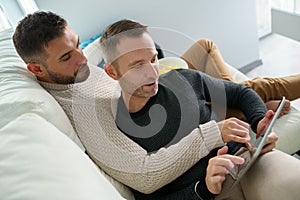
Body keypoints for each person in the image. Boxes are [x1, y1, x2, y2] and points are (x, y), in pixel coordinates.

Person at [12, 11, 300, 199]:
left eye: (76, 44)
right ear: (37, 70)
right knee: (244, 86)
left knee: (205, 56)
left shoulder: (79, 67)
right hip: (145, 100)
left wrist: (123, 49)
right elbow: (146, 175)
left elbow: (92, 53)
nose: (82, 58)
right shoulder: (82, 111)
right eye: (66, 57)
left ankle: (254, 103)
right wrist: (212, 134)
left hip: (148, 92)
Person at [98, 19, 300, 199]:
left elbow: (240, 93)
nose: (152, 74)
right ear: (112, 73)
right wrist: (204, 188)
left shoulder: (182, 79)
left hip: (245, 163)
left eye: (153, 60)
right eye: (137, 66)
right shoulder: (120, 133)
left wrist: (259, 121)